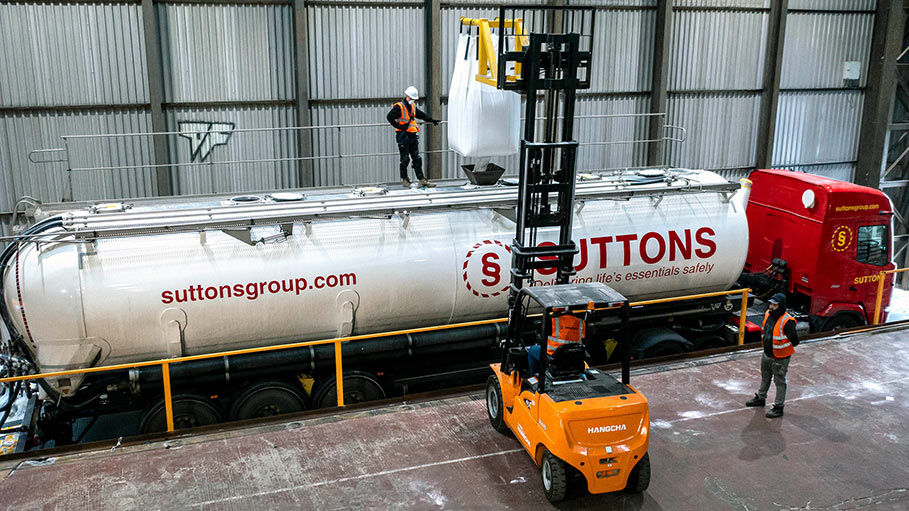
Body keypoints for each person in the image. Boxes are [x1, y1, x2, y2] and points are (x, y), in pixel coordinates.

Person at [745, 292, 799, 418]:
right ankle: (761, 397)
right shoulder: (768, 314)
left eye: (775, 305)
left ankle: (779, 407)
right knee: (765, 377)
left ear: (781, 306)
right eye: (771, 304)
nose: (771, 307)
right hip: (767, 354)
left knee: (779, 381)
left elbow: (795, 340)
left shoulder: (787, 321)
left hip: (780, 358)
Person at [386, 86, 440, 188]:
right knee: (405, 159)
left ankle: (422, 179)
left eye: (414, 99)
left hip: (412, 136)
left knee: (417, 158)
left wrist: (431, 120)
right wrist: (398, 126)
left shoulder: (413, 106)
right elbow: (389, 117)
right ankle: (405, 180)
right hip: (403, 136)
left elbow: (420, 115)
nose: (412, 100)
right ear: (407, 96)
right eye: (411, 98)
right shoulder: (399, 107)